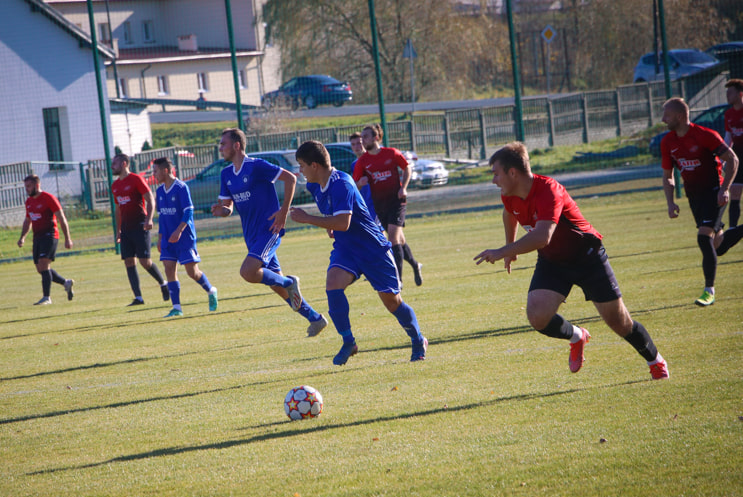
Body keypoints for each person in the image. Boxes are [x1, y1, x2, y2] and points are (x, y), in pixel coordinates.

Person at [474, 142, 669, 380]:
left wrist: (503, 250)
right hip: (553, 262)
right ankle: (577, 336)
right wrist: (511, 246)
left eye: (496, 173)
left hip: (587, 258)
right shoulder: (509, 195)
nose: (494, 180)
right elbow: (509, 214)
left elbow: (543, 236)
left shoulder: (548, 190)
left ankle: (655, 360)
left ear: (512, 173)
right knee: (537, 316)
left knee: (620, 323)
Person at [291, 141, 427, 364]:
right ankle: (348, 342)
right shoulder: (314, 187)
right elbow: (336, 220)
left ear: (314, 165)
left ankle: (418, 339)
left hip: (372, 249)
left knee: (392, 302)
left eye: (302, 165)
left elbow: (343, 222)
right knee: (333, 285)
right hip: (346, 249)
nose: (300, 171)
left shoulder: (342, 183)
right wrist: (328, 226)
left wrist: (309, 218)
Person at [210, 128, 327, 337]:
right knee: (278, 288)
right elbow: (227, 206)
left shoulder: (256, 166)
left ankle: (290, 282)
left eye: (223, 144)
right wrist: (222, 211)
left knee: (248, 272)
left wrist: (283, 213)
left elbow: (291, 178)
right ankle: (315, 318)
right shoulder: (225, 174)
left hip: (270, 230)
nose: (220, 148)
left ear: (236, 145)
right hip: (251, 235)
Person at [660, 98, 742, 307]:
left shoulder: (705, 135)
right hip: (694, 197)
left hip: (713, 193)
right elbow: (668, 175)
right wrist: (670, 202)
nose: (663, 120)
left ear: (679, 116)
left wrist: (724, 190)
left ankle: (709, 291)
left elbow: (733, 160)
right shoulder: (667, 142)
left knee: (704, 238)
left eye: (666, 116)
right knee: (718, 245)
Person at [352, 124, 423, 286]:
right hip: (380, 205)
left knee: (392, 238)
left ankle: (397, 280)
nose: (363, 140)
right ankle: (415, 265)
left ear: (376, 138)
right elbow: (354, 185)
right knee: (399, 240)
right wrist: (360, 183)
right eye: (361, 137)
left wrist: (403, 188)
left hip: (396, 201)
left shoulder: (391, 153)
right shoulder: (362, 161)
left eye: (366, 137)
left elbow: (406, 168)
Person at [152, 157, 218, 317]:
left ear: (165, 170)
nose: (154, 175)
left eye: (155, 171)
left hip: (184, 237)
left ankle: (210, 290)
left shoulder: (181, 188)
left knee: (192, 272)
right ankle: (177, 308)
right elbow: (161, 216)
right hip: (168, 238)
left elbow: (188, 211)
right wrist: (160, 237)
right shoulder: (160, 191)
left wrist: (179, 231)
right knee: (169, 268)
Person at [111, 153, 170, 306]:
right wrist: (118, 230)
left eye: (115, 163)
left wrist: (149, 219)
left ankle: (163, 283)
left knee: (145, 261)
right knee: (129, 262)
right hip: (126, 228)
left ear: (124, 164)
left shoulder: (136, 179)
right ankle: (138, 297)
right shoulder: (115, 186)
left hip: (139, 225)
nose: (112, 166)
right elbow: (118, 210)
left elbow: (150, 199)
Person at [17, 175, 75, 305]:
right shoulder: (29, 202)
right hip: (37, 237)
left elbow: (62, 218)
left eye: (29, 186)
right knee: (41, 269)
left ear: (37, 186)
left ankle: (46, 297)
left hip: (50, 235)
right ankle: (66, 283)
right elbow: (28, 220)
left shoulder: (49, 198)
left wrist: (68, 238)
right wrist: (22, 237)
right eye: (25, 186)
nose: (26, 189)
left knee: (44, 264)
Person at [724, 79, 743, 227]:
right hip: (738, 155)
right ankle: (732, 229)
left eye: (730, 92)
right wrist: (724, 156)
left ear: (740, 94)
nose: (727, 95)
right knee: (735, 192)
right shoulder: (728, 114)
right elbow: (728, 137)